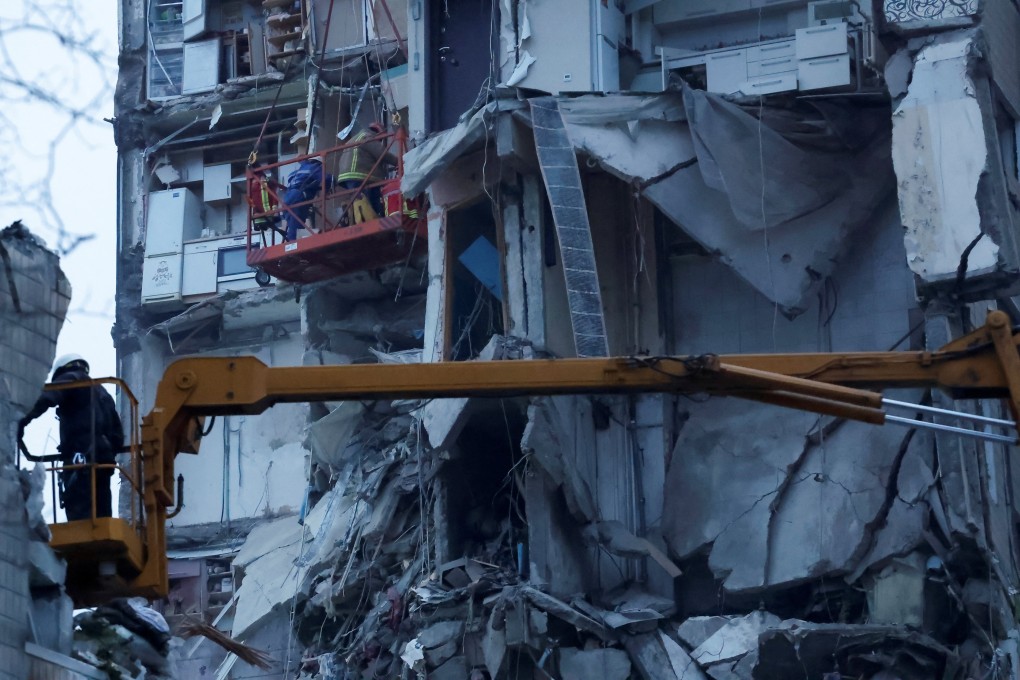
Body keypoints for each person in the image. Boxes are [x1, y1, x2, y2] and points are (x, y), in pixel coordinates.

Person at [18, 354, 124, 521]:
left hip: (80, 457)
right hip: (104, 459)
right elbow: (118, 436)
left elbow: (46, 398)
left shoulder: (72, 378)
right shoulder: (102, 393)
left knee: (78, 505)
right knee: (101, 508)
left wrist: (19, 419)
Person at [336, 121, 397, 220]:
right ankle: (373, 219)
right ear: (378, 133)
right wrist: (398, 162)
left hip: (347, 177)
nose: (380, 141)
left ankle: (357, 219)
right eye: (380, 139)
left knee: (358, 201)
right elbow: (381, 153)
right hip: (360, 175)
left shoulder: (354, 139)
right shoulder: (368, 137)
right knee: (368, 201)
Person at [281, 156, 333, 242]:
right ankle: (293, 245)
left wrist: (315, 189)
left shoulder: (294, 172)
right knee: (296, 225)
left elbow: (304, 183)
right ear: (318, 163)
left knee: (292, 225)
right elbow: (328, 178)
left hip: (286, 199)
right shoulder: (315, 167)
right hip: (298, 197)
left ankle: (291, 243)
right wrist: (326, 190)